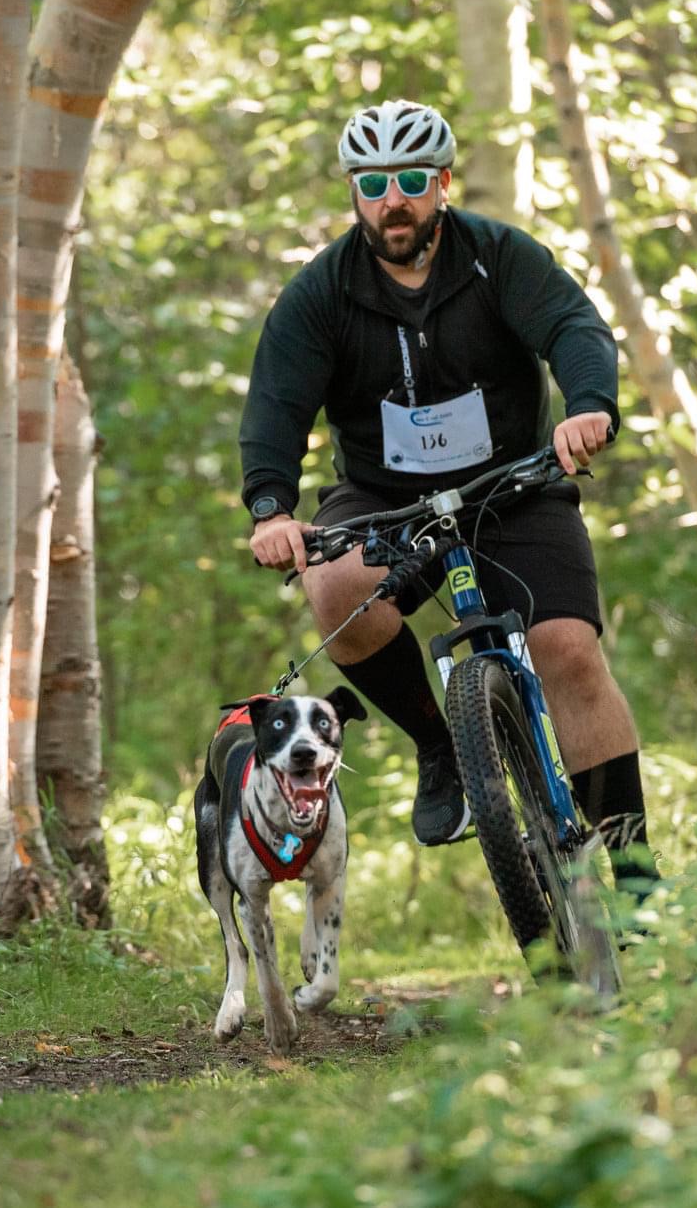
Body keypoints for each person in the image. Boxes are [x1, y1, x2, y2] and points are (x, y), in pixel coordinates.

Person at [239, 98, 658, 894]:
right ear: (355, 193)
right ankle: (441, 748)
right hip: (382, 497)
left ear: (441, 183)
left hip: (513, 487)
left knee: (568, 649)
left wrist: (589, 404)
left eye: (409, 180)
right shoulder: (321, 292)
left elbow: (572, 325)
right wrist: (270, 507)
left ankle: (634, 871)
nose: (391, 199)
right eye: (373, 183)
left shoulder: (499, 257)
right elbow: (276, 405)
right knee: (331, 587)